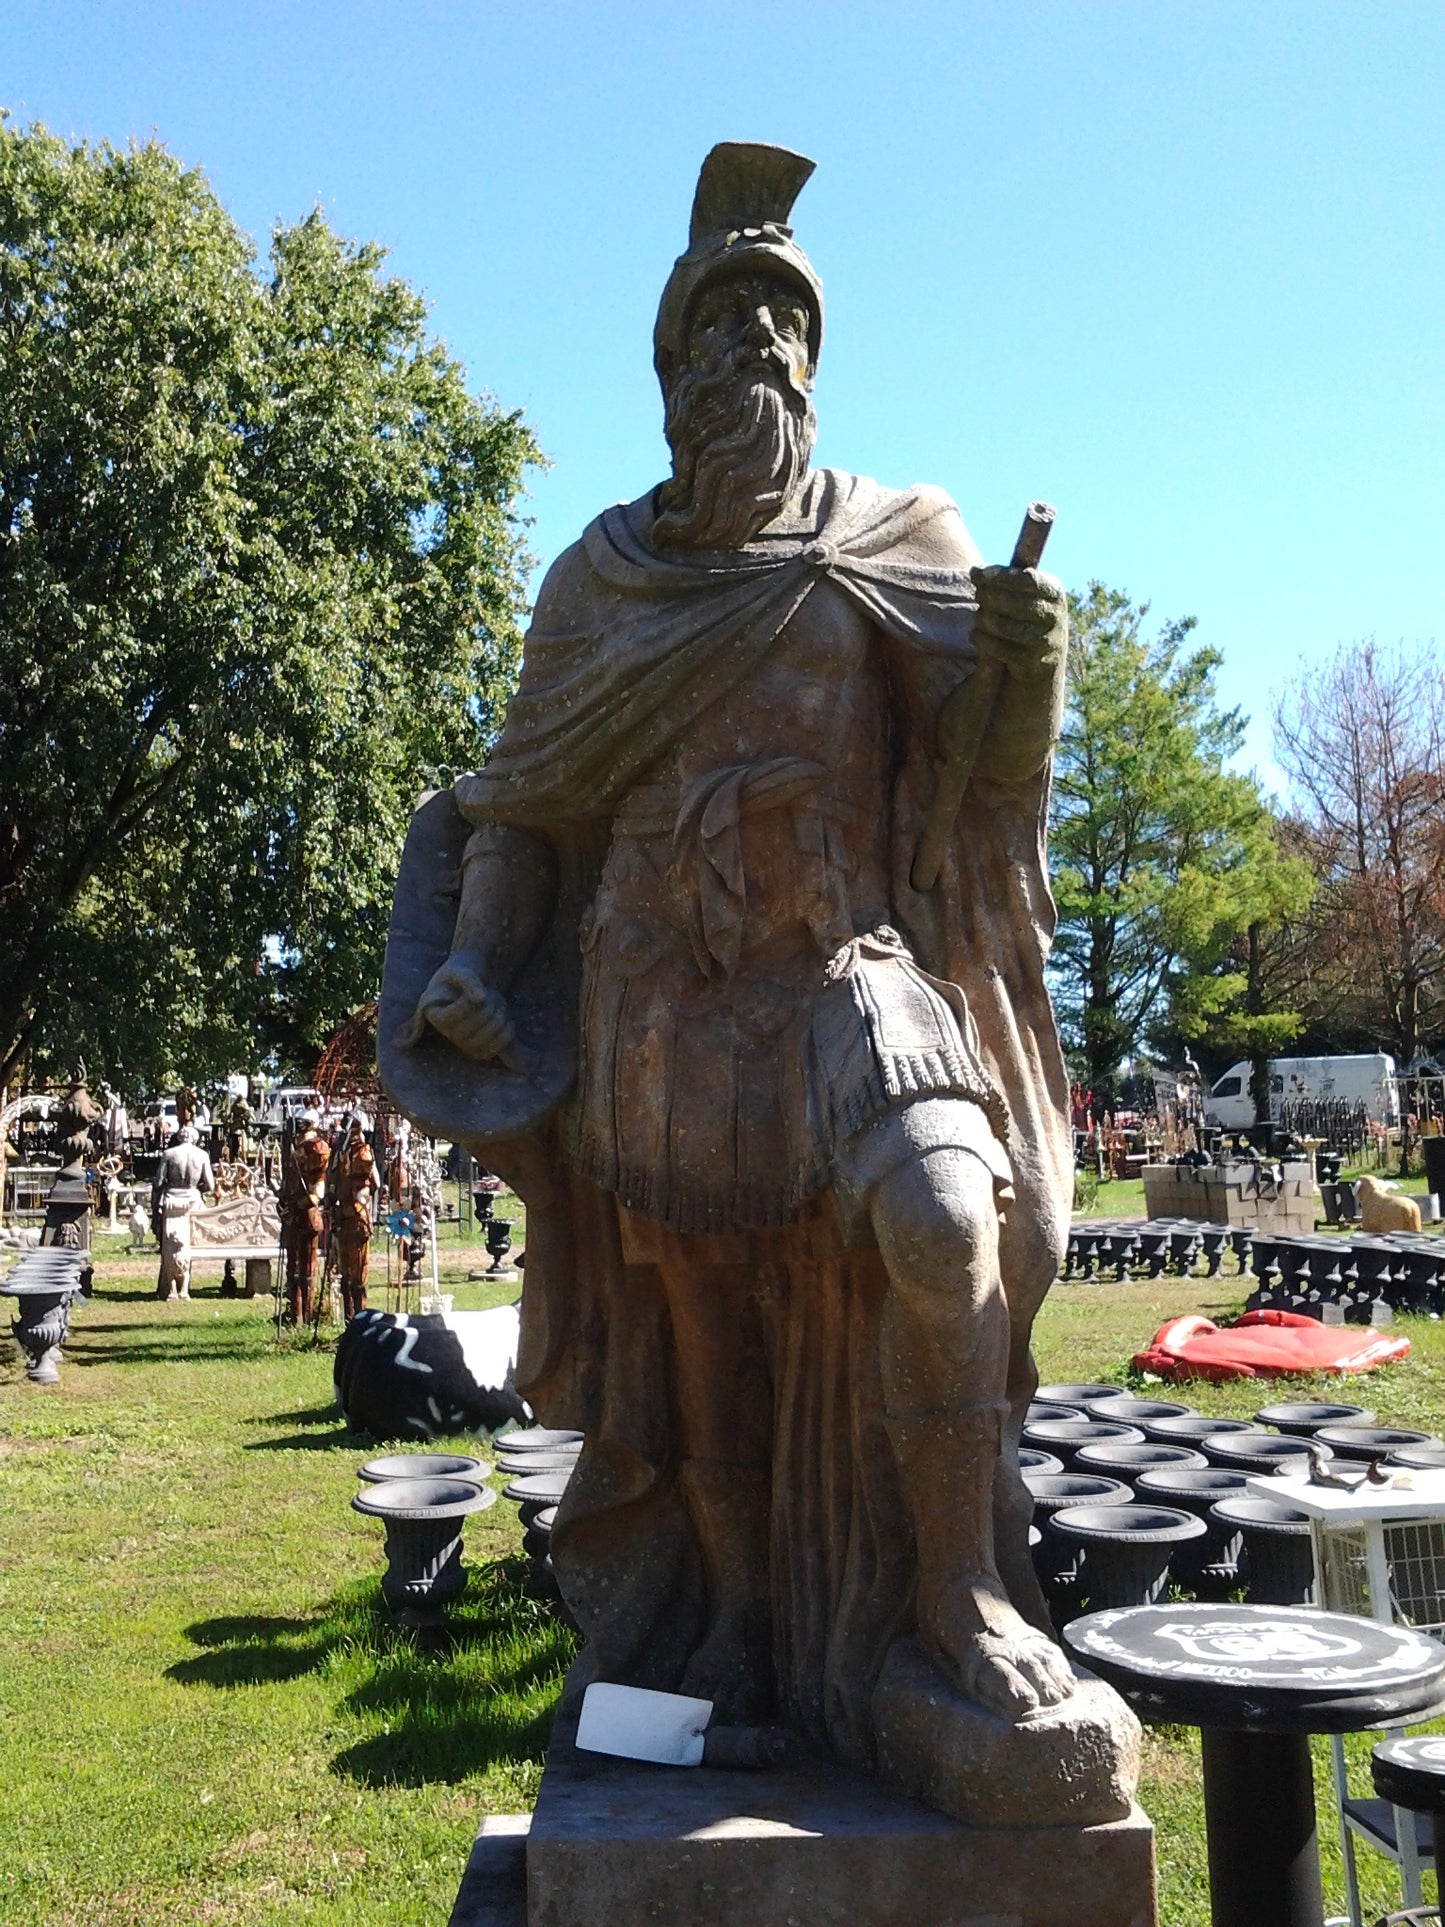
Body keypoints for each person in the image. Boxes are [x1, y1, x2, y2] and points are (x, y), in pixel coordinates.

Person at [386, 145, 1082, 1790]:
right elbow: (528, 799)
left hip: (853, 958)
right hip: (663, 997)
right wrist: (483, 961)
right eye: (718, 326)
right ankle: (744, 1650)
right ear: (669, 371)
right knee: (704, 1360)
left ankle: (956, 1590)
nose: (751, 350)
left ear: (815, 363)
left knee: (941, 1216)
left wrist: (1031, 675)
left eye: (781, 322)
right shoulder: (604, 575)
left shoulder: (903, 535)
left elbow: (980, 783)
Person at [152, 1124, 215, 1300]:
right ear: (194, 1138)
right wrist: (196, 1188)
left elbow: (158, 1182)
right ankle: (184, 1287)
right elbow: (210, 1185)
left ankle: (168, 1288)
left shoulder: (169, 1154)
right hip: (194, 1201)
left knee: (170, 1245)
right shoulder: (202, 1155)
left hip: (172, 1202)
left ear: (180, 1137)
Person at [278, 1109, 329, 1326]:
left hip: (307, 1215)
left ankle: (307, 1316)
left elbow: (317, 1192)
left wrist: (297, 1204)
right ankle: (294, 1314)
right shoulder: (294, 1148)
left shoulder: (318, 1148)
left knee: (307, 1270)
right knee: (292, 1269)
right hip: (292, 1216)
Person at [328, 1113, 378, 1319]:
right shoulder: (341, 1153)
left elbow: (368, 1185)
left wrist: (351, 1208)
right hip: (342, 1219)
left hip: (357, 1219)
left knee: (358, 1278)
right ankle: (348, 1323)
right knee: (345, 1276)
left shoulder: (363, 1153)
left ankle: (361, 1321)